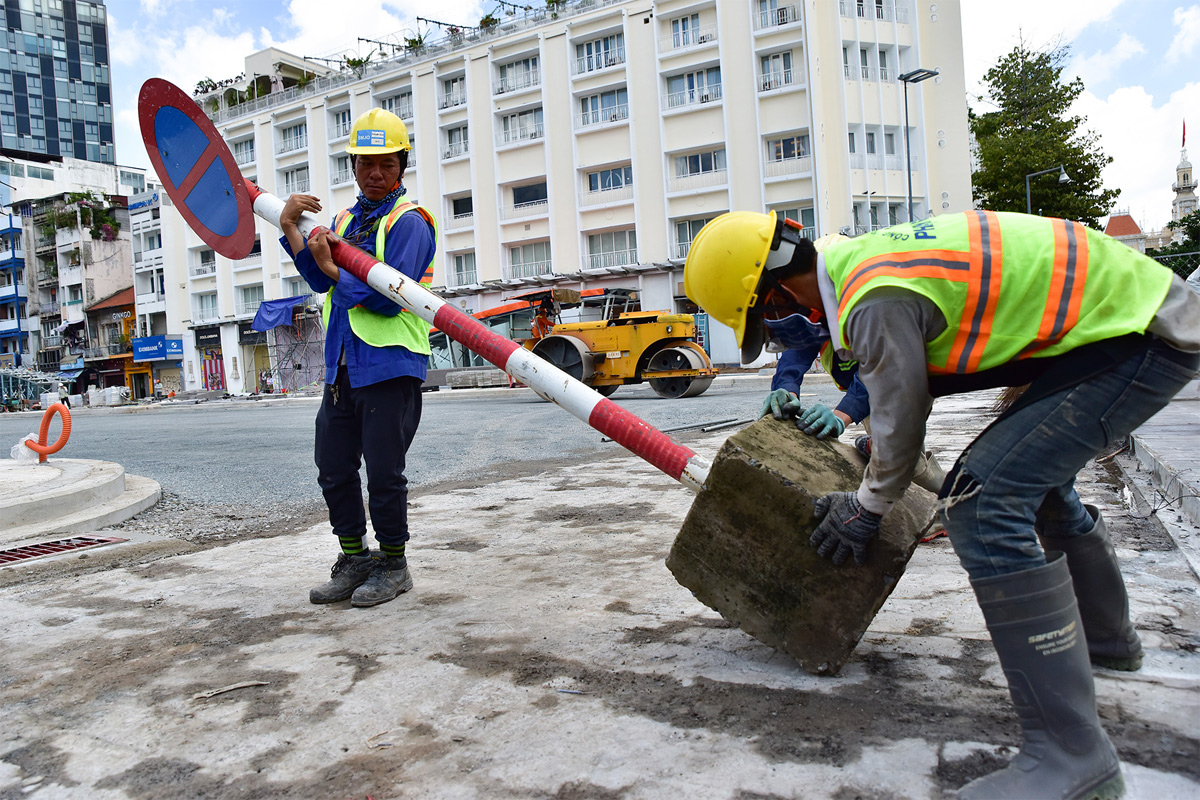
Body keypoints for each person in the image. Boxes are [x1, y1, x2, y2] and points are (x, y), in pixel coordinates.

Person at [684, 209, 1200, 800]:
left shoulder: (873, 297)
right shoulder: (859, 265)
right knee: (1035, 481)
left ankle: (1072, 755)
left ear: (777, 290)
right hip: (1124, 325)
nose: (781, 327)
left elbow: (901, 426)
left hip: (1138, 336)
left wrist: (865, 508)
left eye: (769, 317)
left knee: (980, 503)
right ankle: (1107, 641)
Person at [280, 107, 438, 609]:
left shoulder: (410, 222)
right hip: (343, 363)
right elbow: (323, 279)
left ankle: (393, 564)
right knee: (332, 466)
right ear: (353, 166)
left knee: (385, 471)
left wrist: (330, 262)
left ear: (402, 166)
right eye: (366, 163)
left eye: (387, 164)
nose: (376, 173)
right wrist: (291, 229)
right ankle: (355, 560)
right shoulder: (345, 220)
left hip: (391, 363)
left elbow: (387, 294)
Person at [748, 223, 944, 493]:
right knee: (894, 454)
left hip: (903, 380)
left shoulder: (869, 300)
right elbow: (795, 355)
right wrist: (786, 390)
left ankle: (945, 503)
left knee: (901, 456)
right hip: (872, 388)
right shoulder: (817, 308)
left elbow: (886, 370)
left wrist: (841, 415)